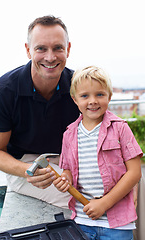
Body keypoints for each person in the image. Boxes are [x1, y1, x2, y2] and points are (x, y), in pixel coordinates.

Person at [0, 15, 79, 208]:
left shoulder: (79, 86)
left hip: (71, 159)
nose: (50, 57)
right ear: (28, 50)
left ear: (68, 49)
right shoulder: (3, 91)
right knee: (76, 199)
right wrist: (28, 170)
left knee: (129, 186)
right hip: (26, 162)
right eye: (41, 48)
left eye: (58, 48)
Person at [53, 66, 143, 239]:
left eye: (100, 94)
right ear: (75, 99)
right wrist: (65, 179)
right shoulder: (69, 134)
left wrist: (104, 203)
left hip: (117, 225)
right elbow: (68, 171)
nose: (93, 101)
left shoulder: (120, 128)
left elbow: (134, 172)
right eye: (85, 96)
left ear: (109, 96)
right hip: (82, 221)